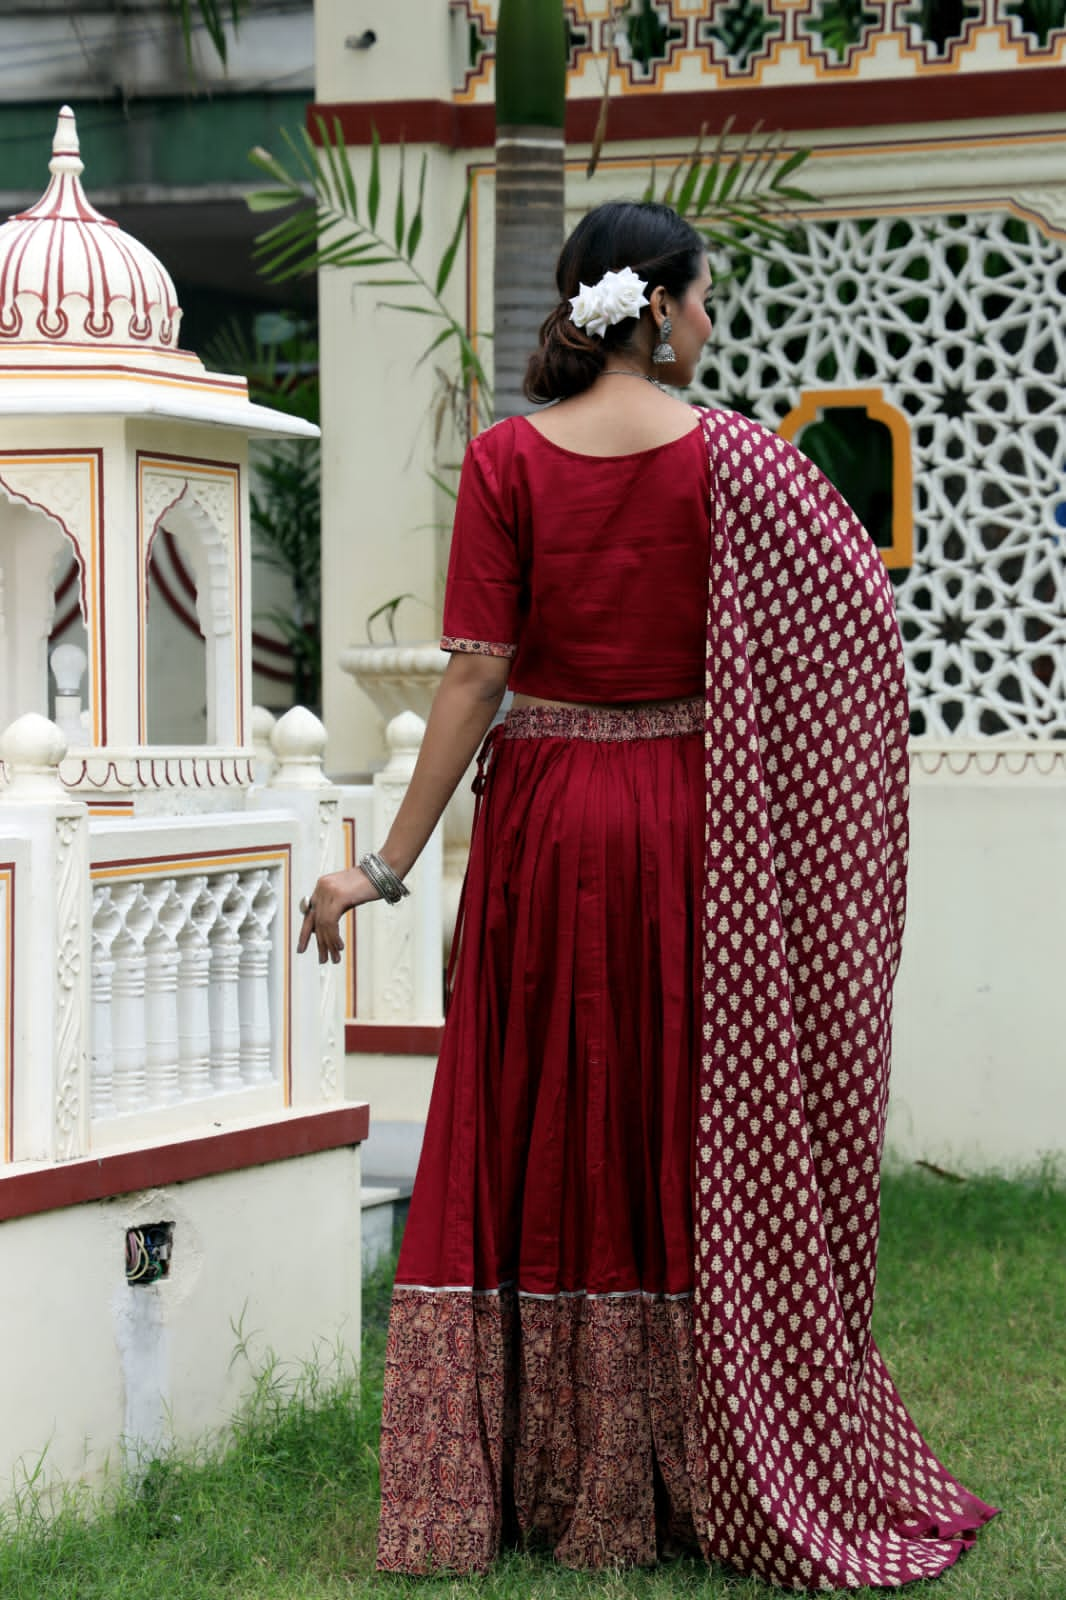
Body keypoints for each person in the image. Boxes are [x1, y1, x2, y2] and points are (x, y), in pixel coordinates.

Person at [298, 200, 997, 1589]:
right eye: (703, 299)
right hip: (696, 831)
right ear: (661, 307)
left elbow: (476, 676)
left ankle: (530, 1479)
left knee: (543, 1110)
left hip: (549, 830)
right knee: (685, 1119)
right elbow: (860, 627)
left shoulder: (506, 460)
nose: (711, 321)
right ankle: (706, 1461)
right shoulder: (741, 462)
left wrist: (382, 867)